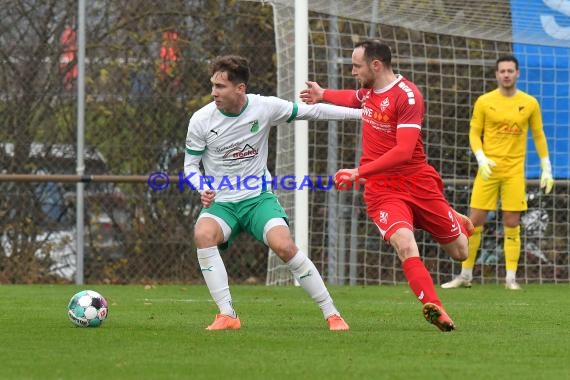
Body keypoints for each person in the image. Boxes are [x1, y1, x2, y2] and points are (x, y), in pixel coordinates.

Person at [300, 39, 474, 332]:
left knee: (460, 252)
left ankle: (449, 215)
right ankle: (435, 307)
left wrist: (358, 171)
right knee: (405, 244)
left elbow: (404, 152)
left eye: (357, 66)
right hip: (383, 189)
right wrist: (322, 94)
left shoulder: (407, 96)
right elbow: (353, 98)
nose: (353, 71)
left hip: (418, 182)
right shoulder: (369, 93)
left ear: (375, 65)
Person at [184, 55, 362, 331]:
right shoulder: (201, 120)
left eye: (220, 87)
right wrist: (201, 186)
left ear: (240, 88)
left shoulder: (264, 107)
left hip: (258, 200)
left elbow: (312, 112)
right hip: (223, 204)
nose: (213, 92)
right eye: (213, 85)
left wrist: (363, 114)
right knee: (203, 235)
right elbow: (190, 166)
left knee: (284, 246)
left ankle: (332, 314)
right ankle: (227, 315)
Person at [441, 55, 554, 291]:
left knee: (512, 222)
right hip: (487, 171)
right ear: (496, 74)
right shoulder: (484, 101)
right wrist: (481, 158)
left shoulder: (530, 103)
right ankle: (465, 275)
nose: (506, 74)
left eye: (510, 71)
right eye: (502, 71)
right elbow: (474, 133)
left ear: (517, 73)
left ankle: (510, 278)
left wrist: (547, 166)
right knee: (474, 221)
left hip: (514, 171)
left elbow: (539, 134)